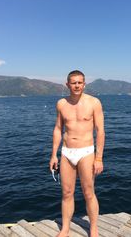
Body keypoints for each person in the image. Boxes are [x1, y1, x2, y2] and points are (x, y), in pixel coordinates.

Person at [49, 70, 105, 237]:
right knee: (66, 193)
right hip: (66, 152)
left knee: (89, 192)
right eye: (73, 82)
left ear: (84, 84)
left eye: (80, 82)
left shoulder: (94, 103)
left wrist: (99, 158)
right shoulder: (61, 104)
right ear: (67, 84)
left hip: (86, 152)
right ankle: (65, 228)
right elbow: (58, 129)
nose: (77, 85)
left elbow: (100, 131)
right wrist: (54, 154)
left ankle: (93, 228)